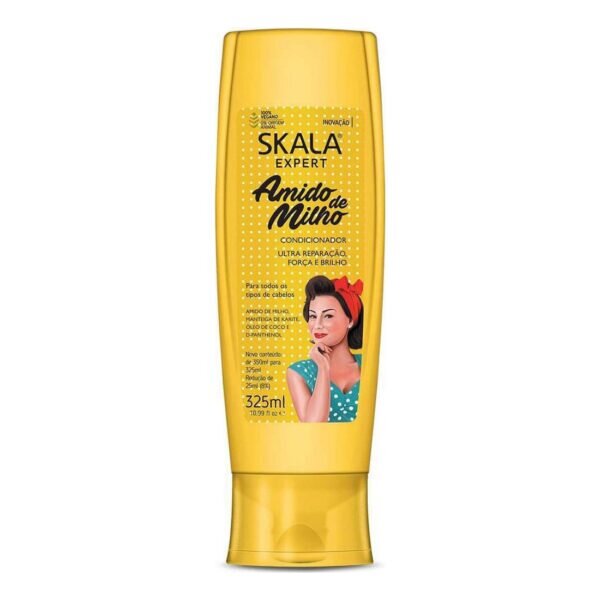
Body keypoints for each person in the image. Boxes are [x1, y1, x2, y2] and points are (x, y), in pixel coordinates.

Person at [287, 275, 364, 423]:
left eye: (328, 316)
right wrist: (323, 368)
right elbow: (313, 425)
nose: (317, 325)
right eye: (313, 316)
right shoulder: (298, 372)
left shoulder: (370, 364)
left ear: (350, 320)